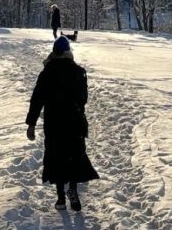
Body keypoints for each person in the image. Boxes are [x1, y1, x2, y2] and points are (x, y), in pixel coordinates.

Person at [26, 36, 99, 212]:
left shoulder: (47, 72)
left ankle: (60, 198)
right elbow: (83, 99)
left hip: (54, 122)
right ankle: (72, 189)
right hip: (75, 121)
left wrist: (31, 123)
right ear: (68, 52)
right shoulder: (78, 71)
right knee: (74, 155)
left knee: (56, 156)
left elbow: (37, 99)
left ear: (54, 52)